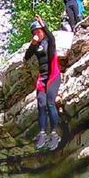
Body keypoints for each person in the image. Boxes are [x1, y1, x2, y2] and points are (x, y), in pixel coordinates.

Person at [24, 16, 62, 151]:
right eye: (34, 33)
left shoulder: (49, 41)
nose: (36, 34)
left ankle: (55, 132)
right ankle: (42, 133)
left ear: (43, 31)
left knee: (50, 103)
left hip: (53, 76)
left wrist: (43, 24)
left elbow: (51, 36)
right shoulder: (36, 45)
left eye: (38, 31)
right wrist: (33, 44)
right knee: (41, 104)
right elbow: (27, 57)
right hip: (42, 78)